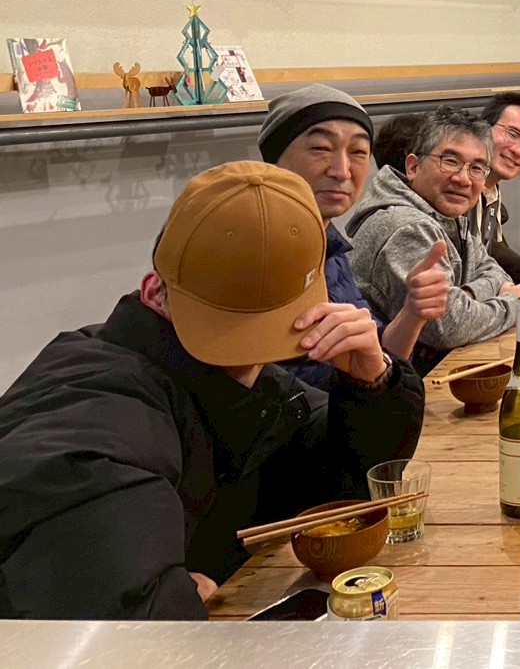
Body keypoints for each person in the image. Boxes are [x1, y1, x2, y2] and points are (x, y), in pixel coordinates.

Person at [0, 162, 425, 619]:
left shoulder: (232, 381)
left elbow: (333, 483)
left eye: (269, 333)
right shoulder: (96, 416)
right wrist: (169, 601)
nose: (249, 357)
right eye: (227, 333)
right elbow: (114, 627)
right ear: (154, 291)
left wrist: (372, 385)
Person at [258, 87, 449, 386]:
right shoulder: (256, 254)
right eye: (321, 148)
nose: (342, 171)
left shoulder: (331, 248)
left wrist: (413, 312)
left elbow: (375, 358)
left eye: (358, 152)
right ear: (274, 161)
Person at [345, 106, 520, 374]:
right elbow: (449, 326)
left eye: (477, 168)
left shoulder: (447, 213)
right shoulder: (406, 227)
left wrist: (466, 295)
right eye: (450, 161)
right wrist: (516, 304)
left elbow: (494, 271)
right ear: (413, 166)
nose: (463, 179)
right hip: (406, 384)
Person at [470, 93, 520, 283]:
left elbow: (494, 251)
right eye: (512, 134)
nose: (518, 151)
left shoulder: (491, 192)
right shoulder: (458, 190)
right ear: (483, 128)